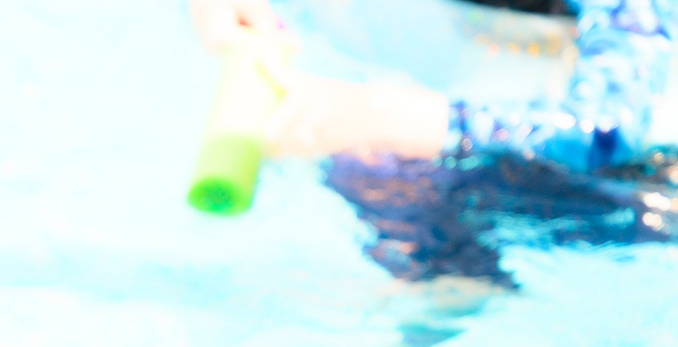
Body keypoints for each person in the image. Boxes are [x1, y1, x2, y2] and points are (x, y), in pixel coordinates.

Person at [193, 0, 675, 283]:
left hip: (641, 193)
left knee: (384, 158)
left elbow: (611, 129)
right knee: (373, 164)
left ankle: (447, 291)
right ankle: (442, 281)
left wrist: (406, 120)